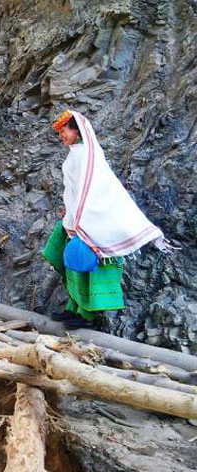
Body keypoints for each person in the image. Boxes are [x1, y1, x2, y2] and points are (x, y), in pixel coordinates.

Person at [42, 110, 177, 329]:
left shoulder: (86, 155)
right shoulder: (78, 153)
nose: (61, 136)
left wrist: (80, 219)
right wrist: (70, 216)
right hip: (77, 217)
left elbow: (93, 190)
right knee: (71, 261)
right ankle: (73, 308)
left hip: (91, 218)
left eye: (64, 131)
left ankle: (86, 315)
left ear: (76, 131)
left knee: (86, 265)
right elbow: (76, 190)